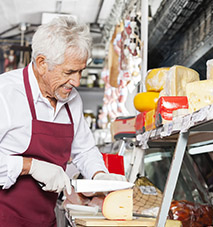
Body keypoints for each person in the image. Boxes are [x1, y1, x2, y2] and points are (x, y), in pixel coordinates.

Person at [0, 16, 126, 227]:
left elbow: (84, 150)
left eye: (81, 71)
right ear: (42, 64)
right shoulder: (5, 93)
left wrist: (100, 175)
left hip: (44, 220)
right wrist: (29, 166)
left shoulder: (71, 98)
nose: (76, 82)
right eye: (69, 72)